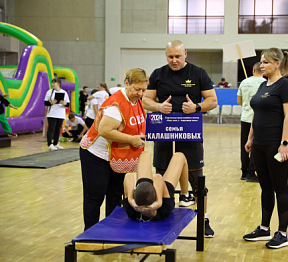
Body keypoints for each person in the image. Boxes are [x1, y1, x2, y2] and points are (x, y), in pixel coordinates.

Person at [142, 39, 218, 238]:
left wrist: (196, 107)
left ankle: (204, 219)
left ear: (186, 54)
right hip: (163, 133)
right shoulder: (158, 74)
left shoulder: (198, 73)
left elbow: (212, 100)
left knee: (197, 180)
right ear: (166, 56)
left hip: (189, 132)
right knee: (161, 176)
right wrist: (158, 107)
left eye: (177, 56)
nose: (174, 60)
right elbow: (146, 100)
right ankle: (160, 216)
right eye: (170, 57)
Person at [79, 68, 148, 230]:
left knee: (115, 196)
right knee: (95, 196)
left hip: (116, 157)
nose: (140, 93)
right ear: (126, 83)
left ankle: (112, 232)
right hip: (96, 155)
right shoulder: (116, 105)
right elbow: (105, 131)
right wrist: (132, 139)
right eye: (136, 89)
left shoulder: (136, 100)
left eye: (143, 90)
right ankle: (90, 235)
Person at [243, 47, 288, 249]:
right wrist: (250, 138)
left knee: (280, 188)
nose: (261, 65)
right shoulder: (263, 85)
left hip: (276, 145)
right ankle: (264, 228)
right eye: (261, 62)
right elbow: (257, 113)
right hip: (259, 145)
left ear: (277, 64)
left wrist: (284, 143)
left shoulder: (285, 86)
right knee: (265, 187)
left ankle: (282, 233)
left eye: (265, 62)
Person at [123, 151, 192, 221]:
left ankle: (184, 195)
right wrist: (159, 202)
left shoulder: (132, 211)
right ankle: (185, 195)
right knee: (180, 156)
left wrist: (131, 200)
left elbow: (128, 176)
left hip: (144, 188)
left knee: (144, 154)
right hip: (164, 192)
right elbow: (157, 177)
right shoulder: (165, 209)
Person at [237, 62, 265, 182]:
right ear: (262, 71)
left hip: (245, 118)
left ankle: (244, 171)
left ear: (253, 70)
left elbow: (239, 101)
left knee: (244, 145)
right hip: (259, 119)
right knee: (256, 146)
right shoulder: (265, 83)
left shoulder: (244, 82)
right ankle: (251, 172)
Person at [44, 78, 70, 151]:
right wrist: (52, 102)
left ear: (58, 84)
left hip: (60, 113)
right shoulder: (49, 92)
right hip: (52, 113)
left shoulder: (64, 92)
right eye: (52, 83)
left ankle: (56, 143)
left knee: (58, 129)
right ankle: (50, 144)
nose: (52, 84)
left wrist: (63, 103)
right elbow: (45, 103)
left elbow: (67, 104)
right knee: (51, 129)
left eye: (54, 83)